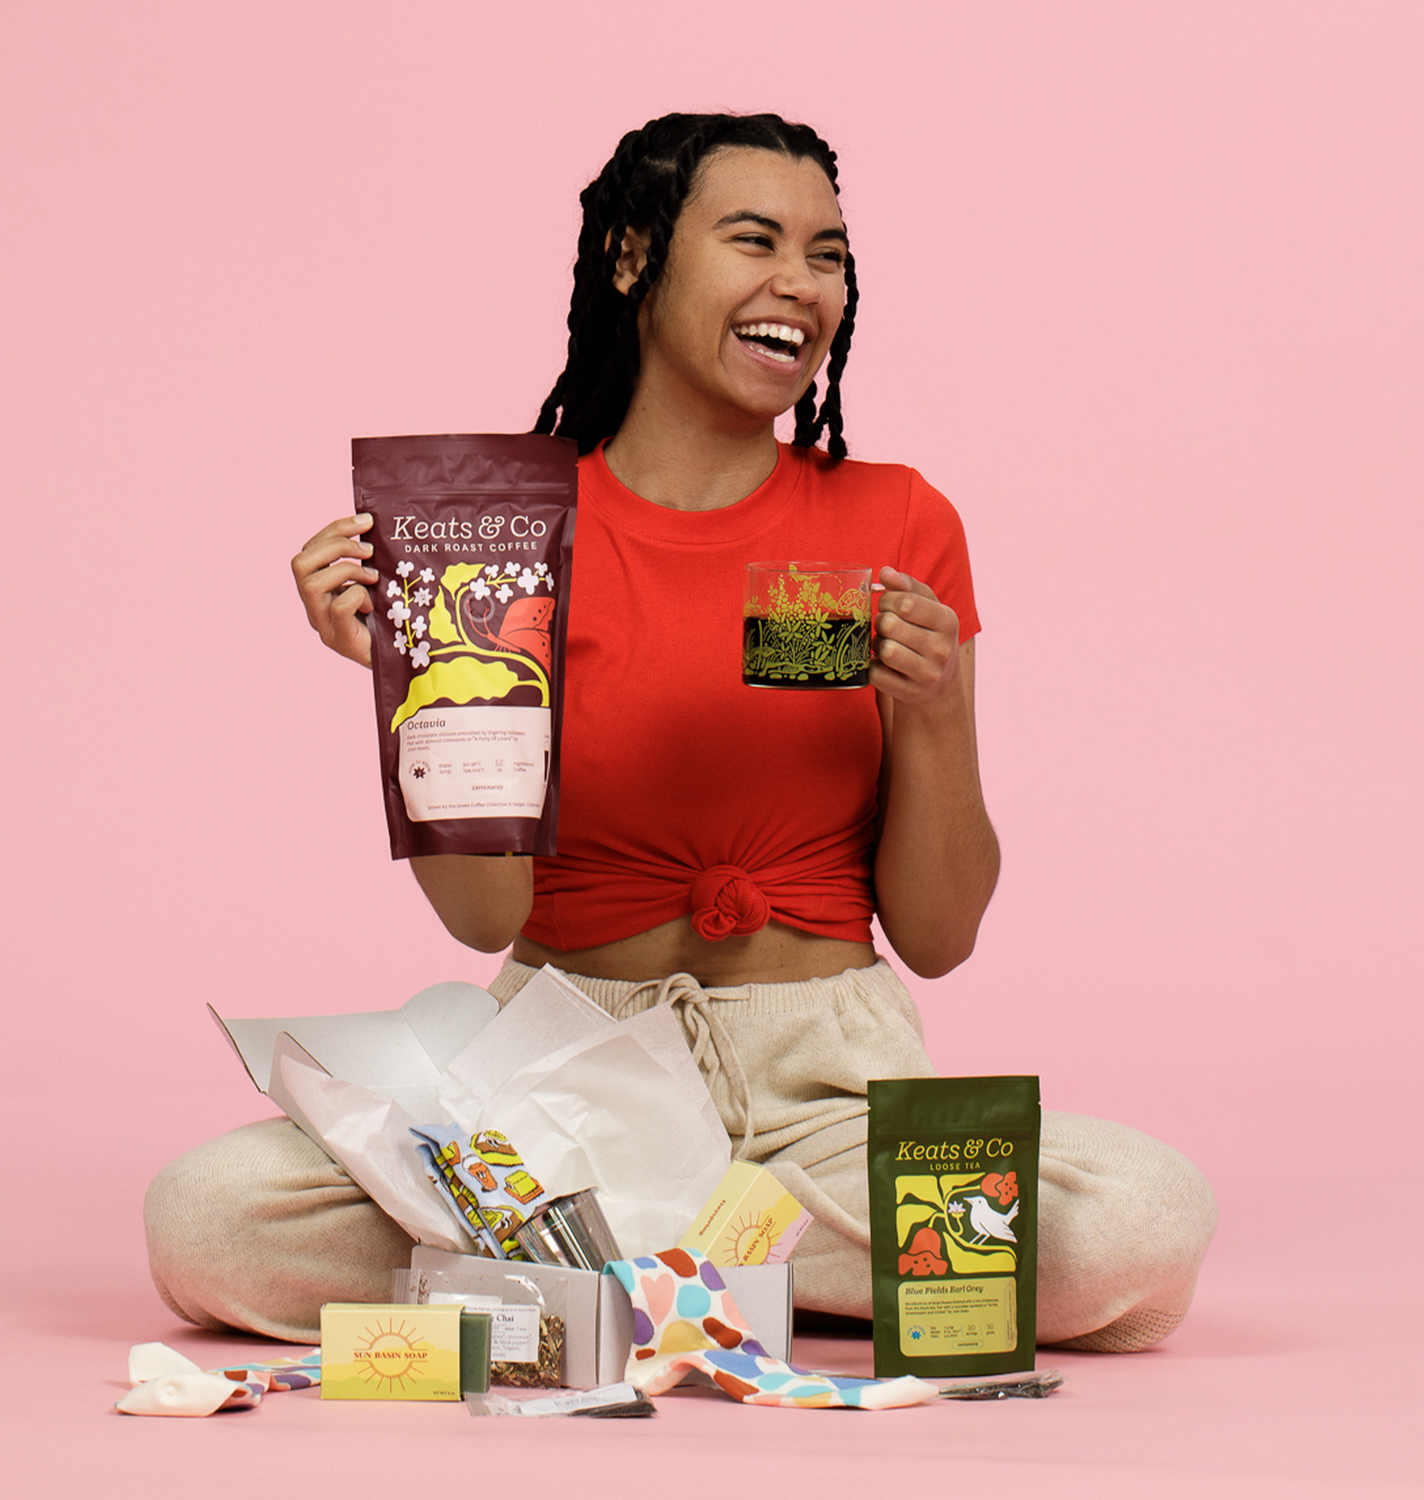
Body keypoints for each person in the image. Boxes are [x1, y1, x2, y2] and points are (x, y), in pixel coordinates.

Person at [146, 112, 1216, 1351]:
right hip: (564, 1082)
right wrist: (412, 686)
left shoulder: (896, 519)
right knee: (214, 1219)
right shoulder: (498, 538)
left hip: (828, 1093)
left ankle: (590, 1273)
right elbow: (485, 920)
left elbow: (940, 933)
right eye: (754, 240)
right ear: (630, 260)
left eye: (827, 253)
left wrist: (936, 712)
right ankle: (739, 1266)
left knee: (1135, 1220)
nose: (799, 284)